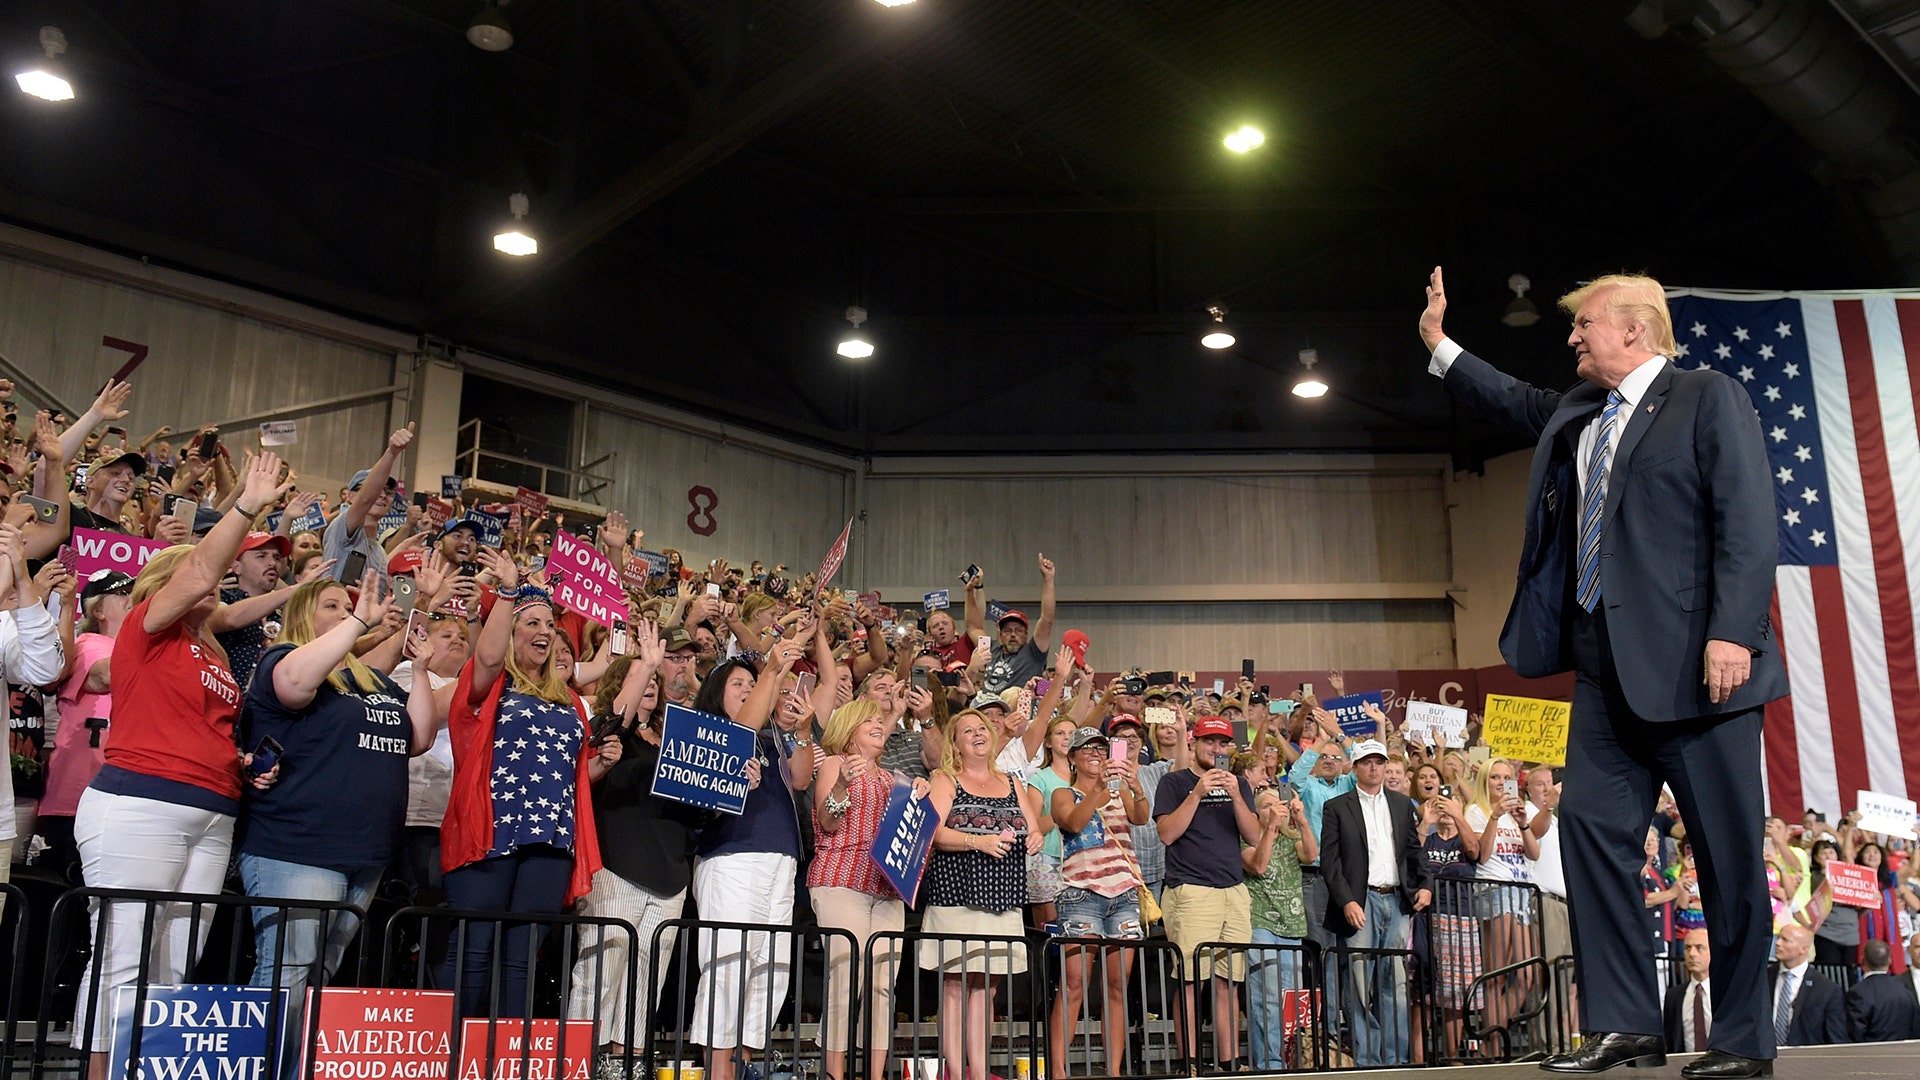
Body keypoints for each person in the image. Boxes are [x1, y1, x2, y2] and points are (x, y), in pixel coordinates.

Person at [1421, 268, 1785, 1079]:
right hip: (1603, 677)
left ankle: (1742, 1040)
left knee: (1725, 860)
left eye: (1586, 324)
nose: (1574, 338)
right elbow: (1513, 399)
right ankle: (1626, 1024)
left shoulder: (1705, 395)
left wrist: (1735, 633)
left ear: (1635, 329)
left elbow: (1748, 517)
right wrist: (1440, 346)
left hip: (1702, 678)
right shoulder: (1581, 411)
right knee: (1588, 836)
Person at [69, 452, 289, 1069]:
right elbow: (196, 572)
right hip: (140, 801)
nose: (213, 583)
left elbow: (206, 725)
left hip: (213, 809)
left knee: (173, 967)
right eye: (202, 576)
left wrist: (241, 762)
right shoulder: (148, 627)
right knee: (124, 955)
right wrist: (247, 505)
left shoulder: (212, 652)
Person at [237, 572, 426, 1008]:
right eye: (333, 607)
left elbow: (417, 739)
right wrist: (360, 623)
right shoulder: (282, 659)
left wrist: (419, 671)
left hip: (364, 852)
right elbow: (295, 685)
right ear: (304, 614)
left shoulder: (368, 679)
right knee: (288, 969)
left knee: (320, 969)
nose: (347, 614)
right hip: (298, 847)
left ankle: (295, 1068)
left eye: (349, 606)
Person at [437, 547, 602, 1019]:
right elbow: (487, 655)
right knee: (473, 951)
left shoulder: (568, 699)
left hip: (550, 841)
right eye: (532, 623)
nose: (545, 632)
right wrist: (509, 593)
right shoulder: (492, 682)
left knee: (521, 961)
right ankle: (447, 1060)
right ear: (511, 632)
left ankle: (512, 1061)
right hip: (490, 832)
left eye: (550, 625)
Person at [568, 628, 703, 1078]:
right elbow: (610, 723)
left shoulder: (676, 739)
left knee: (648, 976)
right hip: (617, 868)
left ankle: (627, 1062)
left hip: (669, 875)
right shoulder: (612, 735)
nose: (649, 685)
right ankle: (580, 1061)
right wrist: (644, 663)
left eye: (653, 680)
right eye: (641, 678)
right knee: (602, 965)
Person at [686, 643, 812, 1080]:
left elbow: (800, 779)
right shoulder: (712, 734)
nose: (747, 688)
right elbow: (739, 731)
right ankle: (718, 1072)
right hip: (732, 859)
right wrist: (772, 668)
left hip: (782, 862)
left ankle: (746, 1067)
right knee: (728, 967)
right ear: (716, 692)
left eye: (752, 683)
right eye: (738, 683)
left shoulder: (773, 735)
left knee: (770, 970)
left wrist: (804, 730)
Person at [922, 709, 1042, 1080]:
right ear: (955, 745)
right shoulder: (945, 779)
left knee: (987, 988)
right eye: (967, 730)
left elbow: (1032, 829)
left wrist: (1035, 838)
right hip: (956, 894)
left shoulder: (1011, 782)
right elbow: (935, 833)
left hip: (1002, 897)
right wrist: (978, 842)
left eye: (982, 728)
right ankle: (956, 1073)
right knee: (956, 985)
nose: (978, 734)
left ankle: (979, 1071)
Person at [810, 698, 924, 1080]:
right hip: (842, 879)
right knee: (846, 977)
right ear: (849, 730)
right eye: (869, 721)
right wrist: (842, 783)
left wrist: (918, 796)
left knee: (882, 985)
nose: (878, 725)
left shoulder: (893, 780)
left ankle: (876, 1075)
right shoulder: (832, 765)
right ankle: (835, 1074)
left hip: (887, 890)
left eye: (880, 720)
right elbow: (826, 821)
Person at [1154, 715, 1260, 1072]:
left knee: (1228, 983)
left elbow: (1254, 836)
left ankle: (1229, 1064)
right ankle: (1191, 1065)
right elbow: (1167, 834)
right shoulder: (1174, 782)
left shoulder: (1240, 785)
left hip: (1234, 890)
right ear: (1193, 742)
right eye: (1209, 741)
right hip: (1191, 891)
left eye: (1222, 743)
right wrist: (1198, 793)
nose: (1216, 749)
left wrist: (1235, 794)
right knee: (1189, 982)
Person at [1319, 738, 1430, 1067]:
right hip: (1360, 902)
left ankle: (1396, 1060)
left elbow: (1414, 850)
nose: (1374, 768)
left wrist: (1425, 884)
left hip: (1395, 901)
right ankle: (1368, 1060)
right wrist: (1347, 901)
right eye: (1367, 762)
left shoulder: (1401, 804)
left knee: (1394, 984)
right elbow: (1330, 862)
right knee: (1357, 984)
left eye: (1379, 762)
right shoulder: (1337, 806)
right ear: (1354, 768)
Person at [1048, 725, 1149, 1077]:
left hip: (1123, 894)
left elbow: (1141, 817)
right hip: (1081, 896)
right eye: (1086, 749)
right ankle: (1059, 1072)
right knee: (1074, 985)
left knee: (1118, 987)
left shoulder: (1119, 793)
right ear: (1072, 757)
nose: (1095, 753)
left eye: (1100, 748)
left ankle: (1114, 1071)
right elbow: (1074, 823)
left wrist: (1135, 788)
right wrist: (1101, 790)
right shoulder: (1063, 793)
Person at [44, 569, 132, 883]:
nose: (133, 598)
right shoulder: (86, 644)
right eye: (123, 593)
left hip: (120, 798)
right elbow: (107, 675)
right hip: (77, 799)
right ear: (97, 611)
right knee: (71, 911)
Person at [1241, 783, 1315, 1071]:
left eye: (1278, 805)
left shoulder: (1290, 838)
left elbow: (1310, 854)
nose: (1274, 810)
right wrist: (1270, 830)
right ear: (1255, 813)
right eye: (1266, 806)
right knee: (1267, 999)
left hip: (1293, 926)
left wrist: (1302, 820)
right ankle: (1269, 1064)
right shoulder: (1246, 839)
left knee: (1289, 1003)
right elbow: (1258, 865)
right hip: (1260, 924)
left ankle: (1291, 1060)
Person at [323, 425, 412, 586]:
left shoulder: (378, 550)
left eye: (388, 491)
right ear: (350, 496)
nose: (382, 494)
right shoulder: (341, 528)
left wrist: (404, 545)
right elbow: (365, 500)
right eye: (376, 488)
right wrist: (391, 453)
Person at [977, 554, 1057, 696]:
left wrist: (1048, 579)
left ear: (1026, 634)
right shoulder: (990, 649)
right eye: (1007, 630)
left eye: (1018, 631)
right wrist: (975, 587)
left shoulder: (1033, 653)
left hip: (1020, 714)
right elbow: (973, 626)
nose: (1013, 634)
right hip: (990, 714)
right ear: (1000, 635)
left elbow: (1047, 620)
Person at [1772, 924, 1848, 1046]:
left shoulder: (1827, 990)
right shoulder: (1763, 978)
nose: (1778, 943)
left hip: (1805, 1060)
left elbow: (1836, 1041)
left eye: (1785, 940)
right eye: (1778, 938)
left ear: (1804, 949)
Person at [1843, 940, 1920, 1042]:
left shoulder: (1857, 993)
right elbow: (1914, 1030)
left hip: (1872, 1055)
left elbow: (1855, 1033)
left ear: (1863, 960)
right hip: (1902, 1055)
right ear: (1889, 961)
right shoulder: (1906, 992)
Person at [1663, 929, 1713, 1053]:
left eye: (1699, 948)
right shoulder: (1673, 996)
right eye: (1687, 948)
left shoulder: (1727, 993)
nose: (1692, 954)